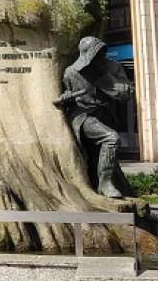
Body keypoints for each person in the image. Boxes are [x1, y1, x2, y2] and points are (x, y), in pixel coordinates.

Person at [53, 36, 131, 198]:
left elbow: (125, 94)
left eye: (101, 52)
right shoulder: (71, 72)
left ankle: (100, 183)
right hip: (84, 116)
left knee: (96, 157)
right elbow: (67, 93)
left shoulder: (113, 67)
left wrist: (105, 80)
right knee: (111, 138)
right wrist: (67, 98)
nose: (98, 57)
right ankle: (105, 185)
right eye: (95, 53)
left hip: (106, 115)